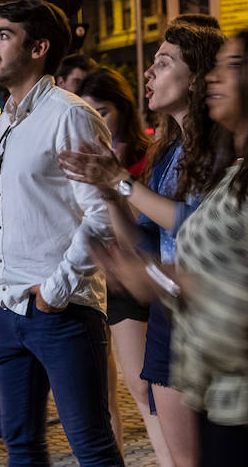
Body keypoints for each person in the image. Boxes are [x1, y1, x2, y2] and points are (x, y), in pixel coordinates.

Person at [90, 27, 248, 465]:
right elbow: (200, 248)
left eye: (233, 66)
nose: (214, 78)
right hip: (229, 391)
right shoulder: (243, 168)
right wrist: (144, 263)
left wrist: (152, 278)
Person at [59, 21, 228, 467]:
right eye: (152, 63)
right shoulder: (168, 152)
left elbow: (198, 225)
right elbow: (146, 240)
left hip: (214, 314)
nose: (148, 74)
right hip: (170, 315)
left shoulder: (224, 149)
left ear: (197, 77)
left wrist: (121, 182)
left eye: (163, 62)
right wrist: (109, 194)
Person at [0, 0, 124, 466]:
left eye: (4, 35)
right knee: (21, 446)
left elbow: (101, 214)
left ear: (38, 47)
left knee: (91, 448)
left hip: (62, 312)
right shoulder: (8, 120)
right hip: (9, 308)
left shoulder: (69, 115)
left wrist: (55, 290)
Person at [76, 67, 155, 456]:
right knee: (106, 390)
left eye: (103, 112)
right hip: (97, 276)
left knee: (144, 385)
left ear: (123, 109)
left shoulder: (147, 155)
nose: (97, 122)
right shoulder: (80, 158)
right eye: (89, 113)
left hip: (145, 274)